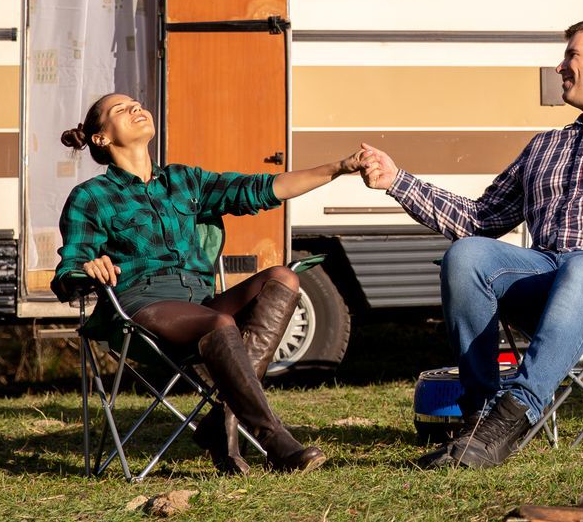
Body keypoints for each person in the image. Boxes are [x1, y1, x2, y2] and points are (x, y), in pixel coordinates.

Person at [354, 17, 583, 470]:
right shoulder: (545, 145)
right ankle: (480, 420)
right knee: (466, 255)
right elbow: (479, 219)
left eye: (571, 55)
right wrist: (398, 181)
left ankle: (513, 415)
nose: (559, 68)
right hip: (548, 274)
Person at [53, 92, 369, 474]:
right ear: (101, 138)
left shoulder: (184, 181)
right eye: (121, 109)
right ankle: (274, 440)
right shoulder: (92, 197)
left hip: (200, 303)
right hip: (140, 310)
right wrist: (90, 267)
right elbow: (69, 268)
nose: (136, 108)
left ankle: (223, 420)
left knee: (282, 277)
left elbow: (264, 189)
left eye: (137, 104)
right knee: (220, 323)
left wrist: (339, 167)